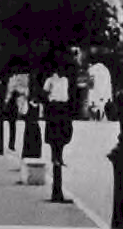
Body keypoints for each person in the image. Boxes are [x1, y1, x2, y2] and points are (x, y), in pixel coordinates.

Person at [42, 66, 73, 202]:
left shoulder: (65, 80)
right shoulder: (50, 81)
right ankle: (56, 157)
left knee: (63, 136)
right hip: (55, 108)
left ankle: (58, 156)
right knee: (56, 138)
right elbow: (44, 93)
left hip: (61, 109)